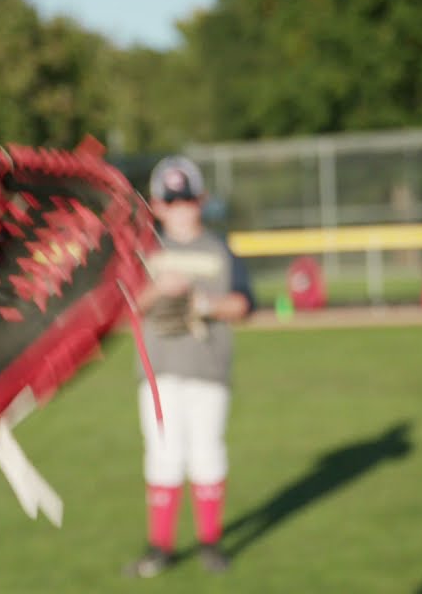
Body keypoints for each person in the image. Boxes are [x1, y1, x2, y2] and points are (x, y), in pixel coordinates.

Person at [124, 156, 255, 578]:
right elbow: (123, 307)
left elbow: (243, 303)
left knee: (207, 454)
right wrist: (157, 291)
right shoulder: (145, 252)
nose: (180, 208)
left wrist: (207, 304)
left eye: (186, 200)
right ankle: (159, 546)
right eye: (171, 200)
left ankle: (210, 542)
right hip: (159, 371)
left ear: (201, 200)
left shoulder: (219, 249)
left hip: (208, 368)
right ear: (157, 206)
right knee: (162, 456)